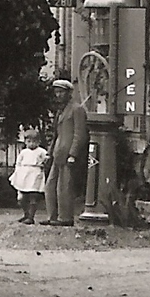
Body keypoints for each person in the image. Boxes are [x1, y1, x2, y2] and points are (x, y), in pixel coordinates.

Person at [41, 79, 89, 227]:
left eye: (61, 92)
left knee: (65, 186)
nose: (58, 95)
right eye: (56, 92)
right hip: (57, 153)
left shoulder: (77, 109)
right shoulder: (60, 112)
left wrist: (73, 154)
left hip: (68, 155)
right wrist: (49, 153)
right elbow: (56, 135)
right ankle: (52, 216)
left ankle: (65, 217)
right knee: (50, 185)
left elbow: (79, 134)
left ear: (69, 93)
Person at [9, 129, 48, 225]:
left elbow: (47, 160)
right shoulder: (23, 152)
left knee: (33, 196)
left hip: (35, 174)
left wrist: (43, 164)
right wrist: (17, 173)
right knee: (22, 197)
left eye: (34, 141)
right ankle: (26, 214)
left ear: (38, 142)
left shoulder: (41, 151)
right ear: (25, 142)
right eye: (29, 141)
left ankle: (31, 217)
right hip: (24, 175)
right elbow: (18, 163)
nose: (31, 144)